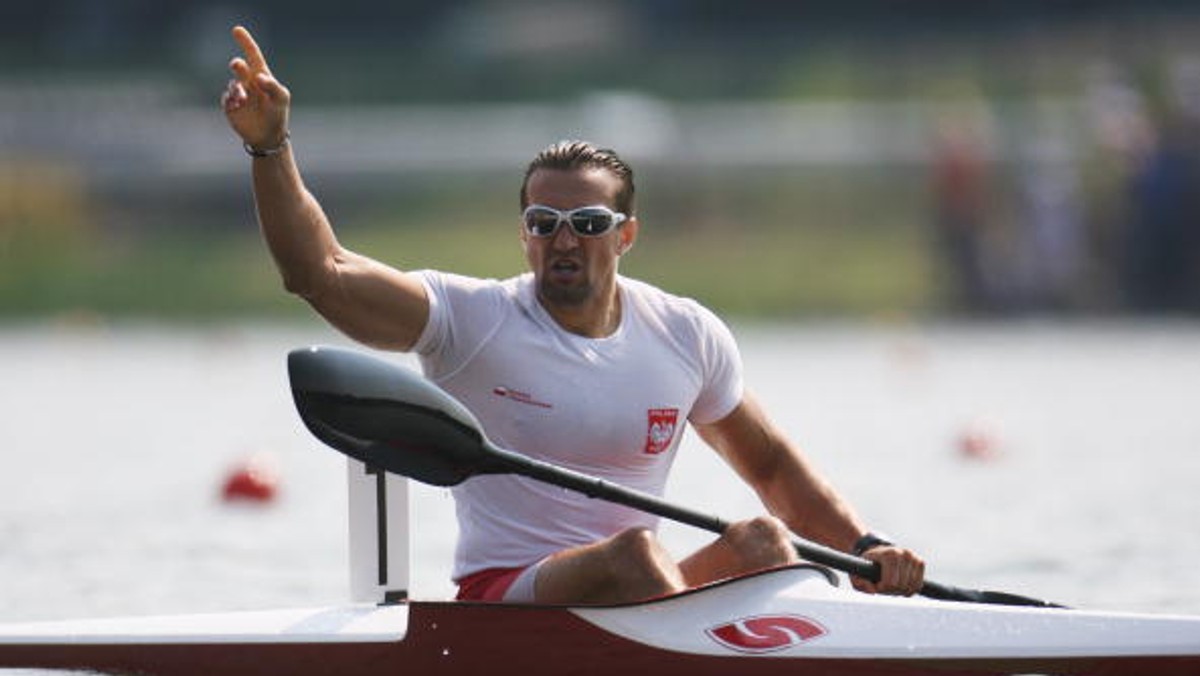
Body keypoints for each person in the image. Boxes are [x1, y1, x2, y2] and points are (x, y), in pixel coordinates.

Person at [221, 25, 925, 605]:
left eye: (587, 222)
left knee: (767, 540)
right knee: (635, 556)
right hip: (509, 595)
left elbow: (772, 466)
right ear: (524, 234)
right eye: (544, 220)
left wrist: (865, 551)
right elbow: (320, 272)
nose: (564, 239)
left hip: (644, 586)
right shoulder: (472, 320)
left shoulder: (685, 333)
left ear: (625, 235)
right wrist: (269, 146)